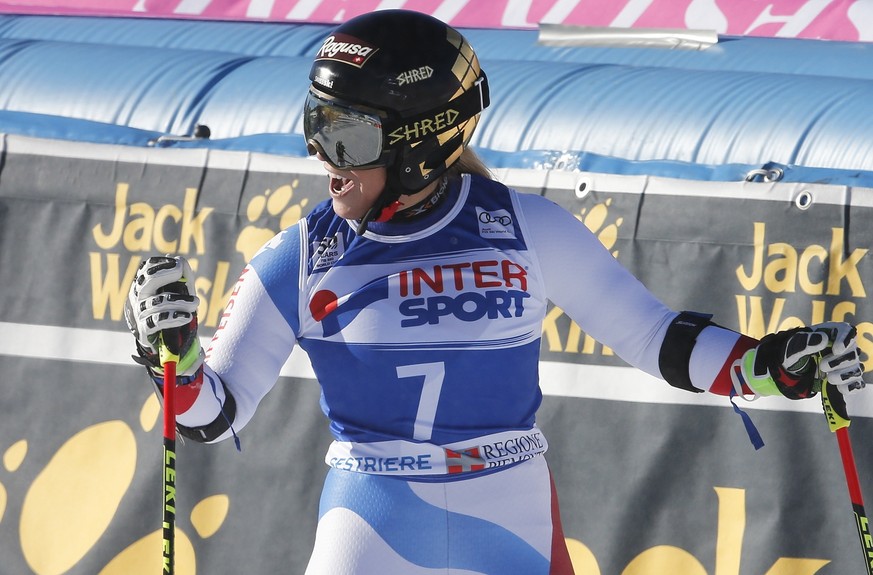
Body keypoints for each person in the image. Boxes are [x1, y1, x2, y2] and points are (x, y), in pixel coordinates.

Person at [124, 10, 866, 575]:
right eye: (316, 129)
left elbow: (655, 337)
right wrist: (172, 352)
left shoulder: (521, 226)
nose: (325, 161)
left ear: (419, 145)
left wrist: (770, 365)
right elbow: (209, 415)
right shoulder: (302, 254)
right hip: (373, 516)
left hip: (508, 510)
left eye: (347, 139)